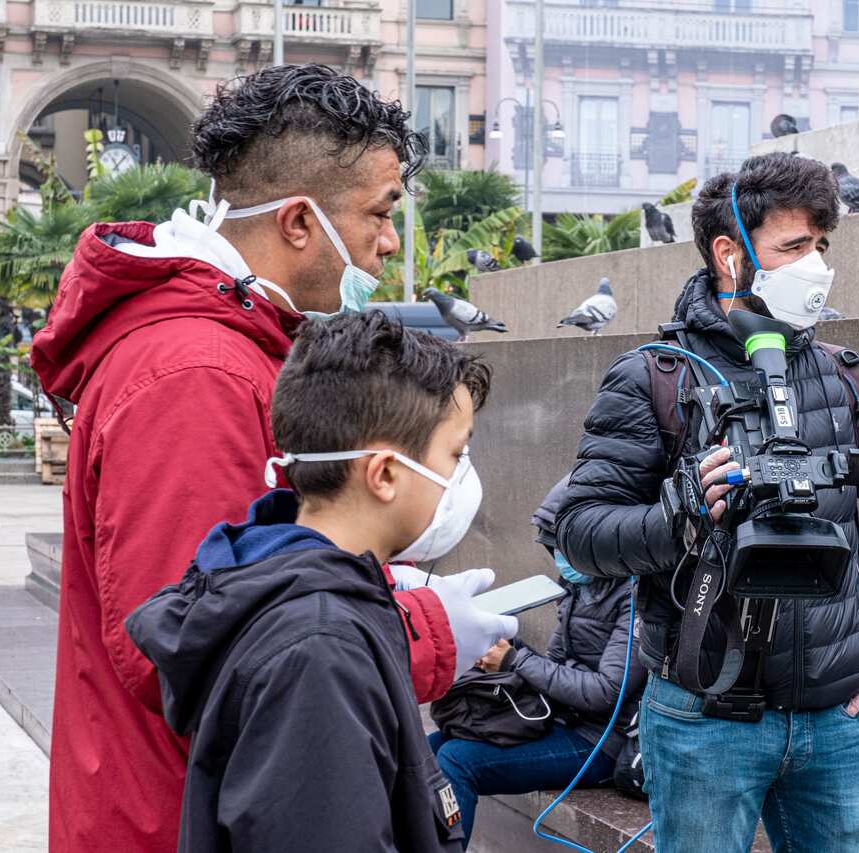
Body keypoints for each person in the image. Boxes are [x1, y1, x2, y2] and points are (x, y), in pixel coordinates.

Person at [29, 65, 515, 852]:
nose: (390, 243)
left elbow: (254, 574)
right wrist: (419, 632)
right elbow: (192, 644)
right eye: (379, 214)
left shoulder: (231, 344)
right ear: (297, 221)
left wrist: (377, 583)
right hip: (171, 813)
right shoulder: (197, 374)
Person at [555, 152, 859, 852]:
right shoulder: (655, 378)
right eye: (794, 247)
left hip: (837, 716)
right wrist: (678, 517)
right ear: (729, 253)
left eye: (821, 246)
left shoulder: (846, 375)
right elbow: (581, 532)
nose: (815, 266)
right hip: (701, 719)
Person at [126, 311, 490, 851]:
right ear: (384, 474)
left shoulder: (286, 589)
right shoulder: (320, 652)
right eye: (455, 455)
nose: (462, 476)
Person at [427, 477, 647, 849]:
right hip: (560, 721)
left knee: (458, 761)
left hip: (600, 745)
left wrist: (515, 659)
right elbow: (556, 663)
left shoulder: (636, 595)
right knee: (430, 749)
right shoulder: (580, 586)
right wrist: (502, 653)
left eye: (564, 545)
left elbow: (606, 692)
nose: (559, 556)